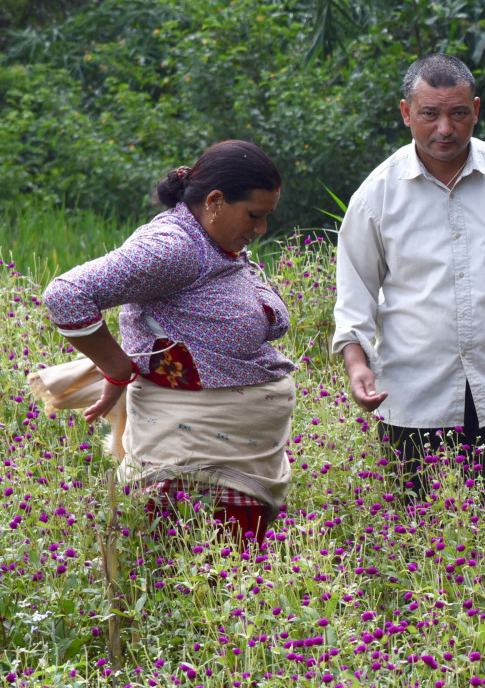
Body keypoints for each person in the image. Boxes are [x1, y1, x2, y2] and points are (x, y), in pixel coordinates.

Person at [333, 53, 485, 501]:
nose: (445, 129)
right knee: (418, 538)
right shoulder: (376, 195)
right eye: (430, 114)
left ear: (476, 110)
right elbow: (355, 289)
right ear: (406, 114)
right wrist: (357, 364)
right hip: (412, 395)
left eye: (458, 114)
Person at [42, 140, 295, 542]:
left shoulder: (214, 242)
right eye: (255, 216)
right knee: (198, 585)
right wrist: (117, 368)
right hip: (191, 467)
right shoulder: (174, 248)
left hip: (233, 461)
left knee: (230, 591)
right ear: (214, 202)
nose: (261, 229)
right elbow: (66, 295)